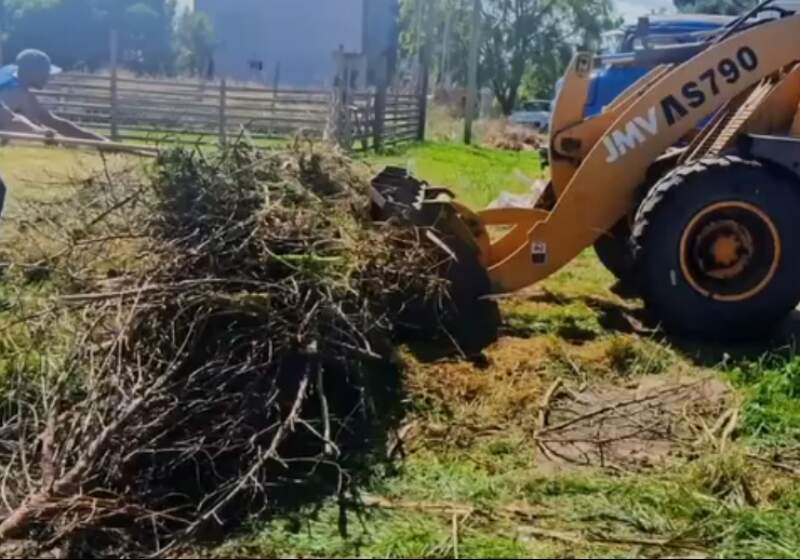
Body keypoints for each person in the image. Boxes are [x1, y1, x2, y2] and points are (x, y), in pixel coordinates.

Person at [0, 49, 107, 141]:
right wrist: (101, 141)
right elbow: (54, 122)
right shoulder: (18, 93)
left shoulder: (9, 75)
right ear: (32, 71)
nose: (48, 76)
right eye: (45, 71)